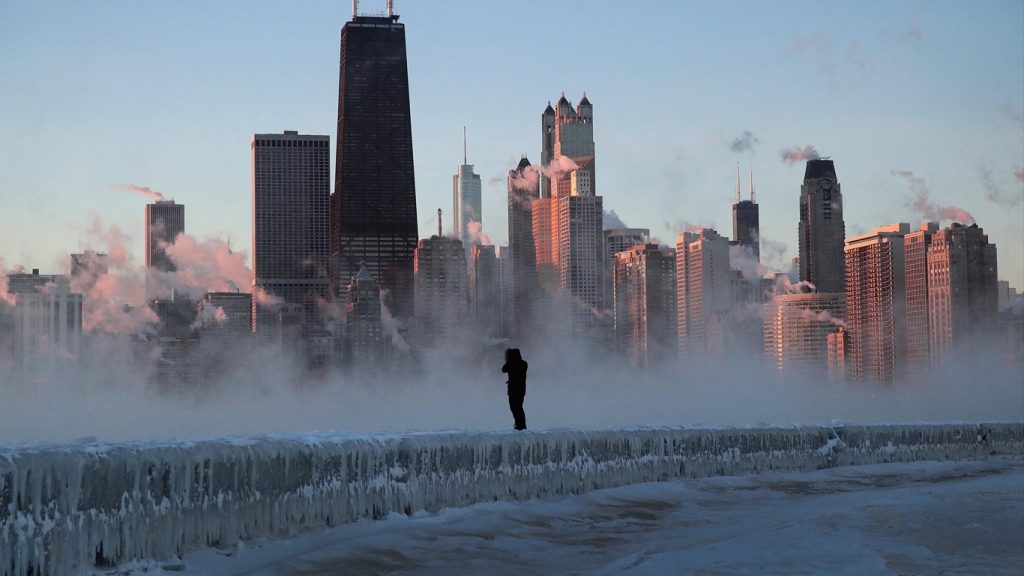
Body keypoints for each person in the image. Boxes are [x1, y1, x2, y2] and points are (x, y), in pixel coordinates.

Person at [501, 348, 528, 430]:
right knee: (518, 407)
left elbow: (503, 369)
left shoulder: (511, 363)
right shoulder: (524, 363)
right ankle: (520, 424)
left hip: (513, 390)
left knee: (515, 408)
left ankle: (520, 425)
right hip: (521, 390)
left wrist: (507, 360)